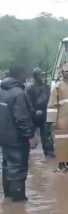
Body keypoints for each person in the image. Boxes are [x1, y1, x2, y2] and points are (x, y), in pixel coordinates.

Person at [0, 66, 35, 201]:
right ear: (20, 74)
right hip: (16, 138)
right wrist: (30, 136)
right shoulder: (18, 93)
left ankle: (8, 196)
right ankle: (17, 201)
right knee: (18, 168)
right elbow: (22, 118)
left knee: (7, 165)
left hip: (3, 136)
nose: (26, 75)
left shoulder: (2, 90)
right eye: (25, 73)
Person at [26, 68, 55, 157]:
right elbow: (27, 102)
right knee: (28, 134)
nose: (41, 77)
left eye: (42, 75)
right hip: (33, 115)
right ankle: (24, 152)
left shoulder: (47, 88)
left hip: (44, 115)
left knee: (46, 136)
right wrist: (33, 112)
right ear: (35, 76)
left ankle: (49, 152)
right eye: (40, 75)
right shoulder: (29, 89)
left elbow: (50, 101)